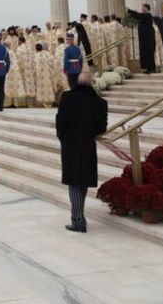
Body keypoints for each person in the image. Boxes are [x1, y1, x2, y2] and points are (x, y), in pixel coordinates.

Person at [56, 69, 108, 233]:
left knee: (74, 182)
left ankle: (78, 220)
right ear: (92, 83)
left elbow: (60, 122)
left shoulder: (67, 97)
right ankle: (78, 217)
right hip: (87, 145)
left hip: (70, 145)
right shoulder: (100, 102)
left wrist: (63, 138)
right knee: (82, 181)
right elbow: (101, 127)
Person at [126, 4, 158, 73]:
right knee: (145, 54)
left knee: (149, 54)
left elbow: (138, 15)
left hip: (148, 40)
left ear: (147, 8)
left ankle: (152, 69)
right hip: (144, 40)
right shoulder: (144, 16)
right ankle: (147, 68)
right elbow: (138, 16)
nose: (142, 9)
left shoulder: (148, 16)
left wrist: (129, 11)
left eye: (143, 8)